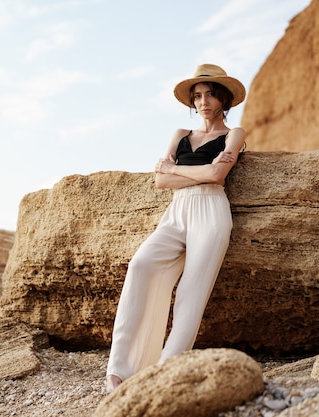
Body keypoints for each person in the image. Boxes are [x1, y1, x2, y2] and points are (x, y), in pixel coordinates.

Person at [105, 63, 247, 393]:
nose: (203, 102)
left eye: (210, 94)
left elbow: (216, 177)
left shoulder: (234, 135)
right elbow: (160, 180)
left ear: (224, 99)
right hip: (176, 212)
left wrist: (177, 170)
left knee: (189, 295)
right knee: (140, 265)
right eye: (197, 96)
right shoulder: (181, 135)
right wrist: (188, 171)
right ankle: (119, 369)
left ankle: (164, 372)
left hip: (211, 212)